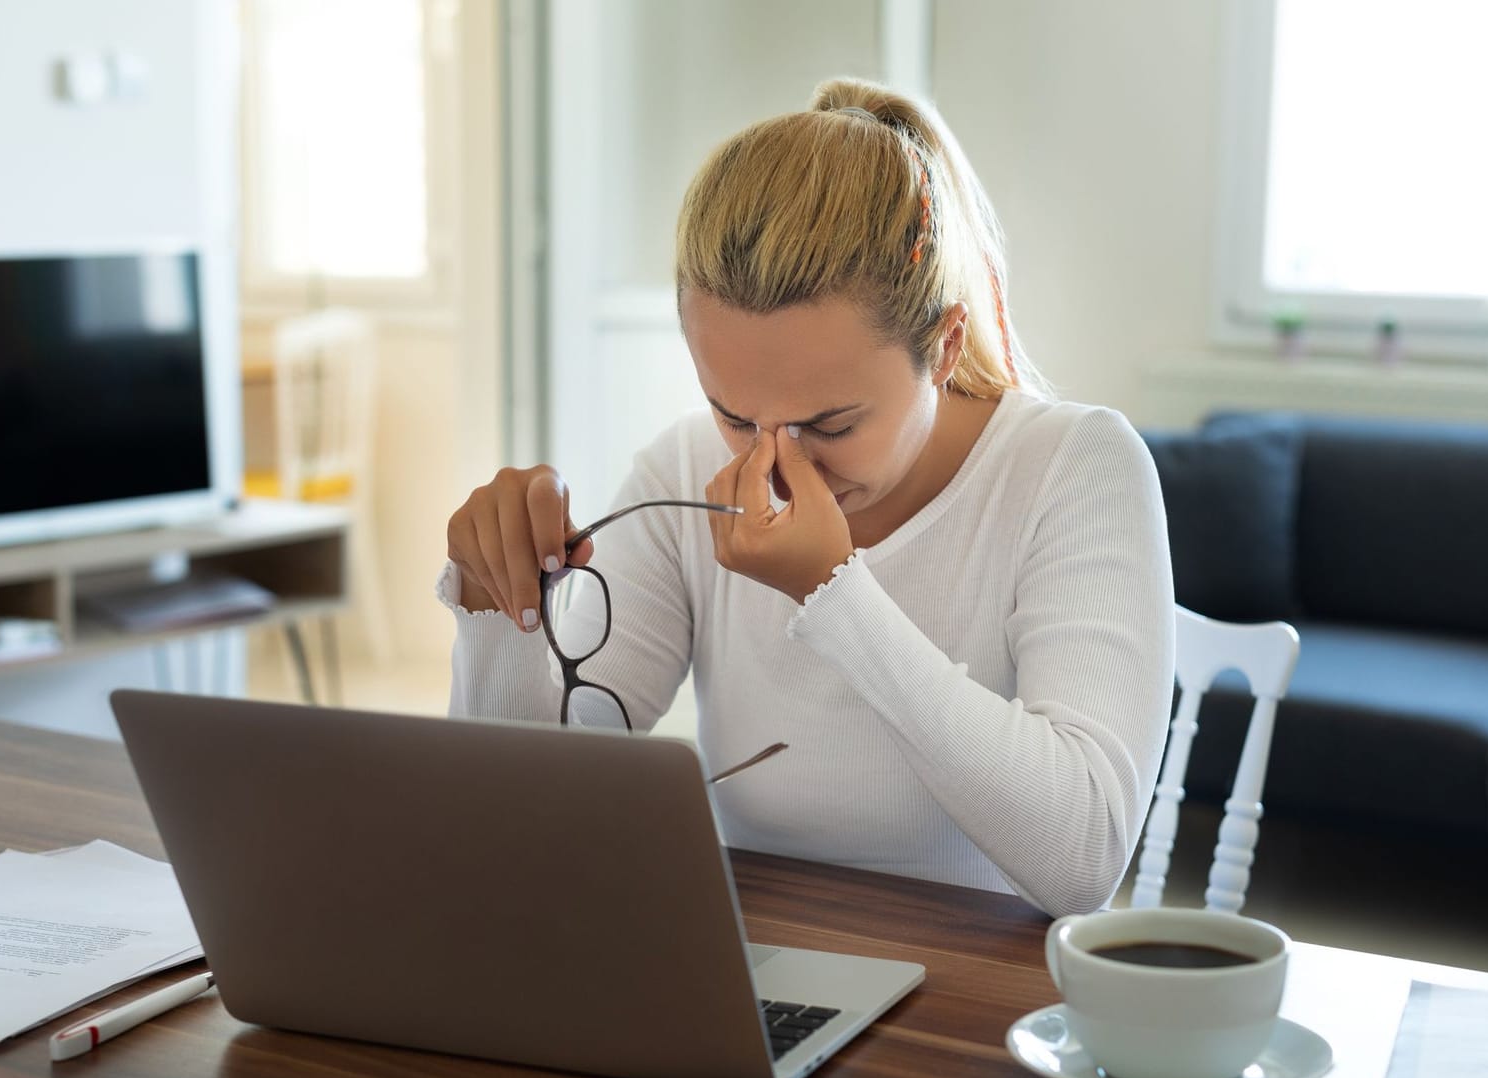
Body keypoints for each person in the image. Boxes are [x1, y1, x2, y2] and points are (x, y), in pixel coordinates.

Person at [438, 79, 1174, 918]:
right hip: (750, 985)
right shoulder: (678, 472)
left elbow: (1082, 856)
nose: (777, 467)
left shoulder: (1074, 469)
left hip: (985, 1004)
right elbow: (520, 825)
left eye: (829, 422)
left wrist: (835, 593)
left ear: (944, 347)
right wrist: (497, 608)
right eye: (733, 414)